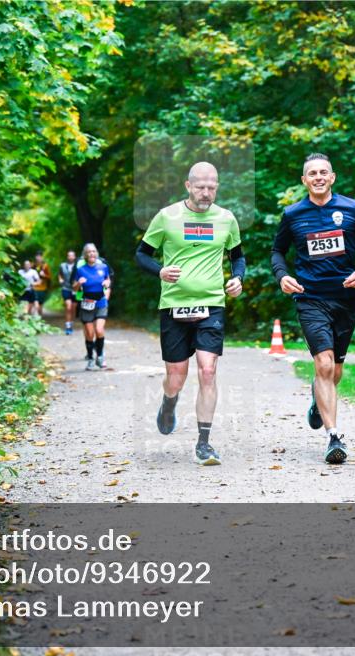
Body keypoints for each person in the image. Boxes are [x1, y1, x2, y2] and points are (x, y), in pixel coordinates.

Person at [270, 153, 355, 464]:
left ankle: (316, 396)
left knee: (334, 371)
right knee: (323, 364)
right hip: (310, 299)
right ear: (304, 181)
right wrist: (283, 276)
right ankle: (334, 436)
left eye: (324, 172)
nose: (318, 177)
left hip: (346, 300)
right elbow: (277, 251)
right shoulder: (293, 214)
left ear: (332, 177)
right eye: (312, 173)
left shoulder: (352, 209)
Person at [135, 162, 245, 466]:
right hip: (174, 306)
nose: (206, 193)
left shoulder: (226, 219)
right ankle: (169, 402)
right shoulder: (167, 217)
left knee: (208, 370)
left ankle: (203, 444)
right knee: (176, 376)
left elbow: (238, 258)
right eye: (200, 187)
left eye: (212, 187)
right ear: (188, 186)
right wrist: (160, 270)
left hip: (211, 304)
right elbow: (141, 254)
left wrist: (238, 279)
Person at [71, 243, 111, 371]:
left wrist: (106, 283)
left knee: (99, 330)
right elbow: (74, 287)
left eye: (93, 251)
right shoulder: (80, 270)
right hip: (87, 303)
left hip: (100, 302)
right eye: (89, 252)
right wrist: (79, 283)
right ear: (85, 255)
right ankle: (90, 358)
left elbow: (108, 280)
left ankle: (100, 356)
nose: (91, 254)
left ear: (96, 253)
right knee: (89, 333)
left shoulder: (103, 267)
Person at [59, 250, 78, 335]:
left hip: (77, 290)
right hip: (66, 288)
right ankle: (68, 326)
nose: (70, 257)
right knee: (68, 306)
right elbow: (60, 274)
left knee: (74, 308)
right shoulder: (62, 265)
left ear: (74, 257)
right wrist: (60, 279)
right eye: (69, 255)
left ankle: (71, 323)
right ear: (67, 257)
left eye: (72, 256)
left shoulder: (79, 266)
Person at [31, 251, 51, 318]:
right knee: (35, 304)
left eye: (40, 256)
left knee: (40, 305)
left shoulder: (45, 266)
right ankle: (34, 318)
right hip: (34, 287)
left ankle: (40, 318)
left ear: (42, 257)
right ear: (35, 257)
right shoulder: (32, 266)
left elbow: (49, 277)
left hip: (43, 288)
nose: (38, 258)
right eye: (37, 256)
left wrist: (44, 275)